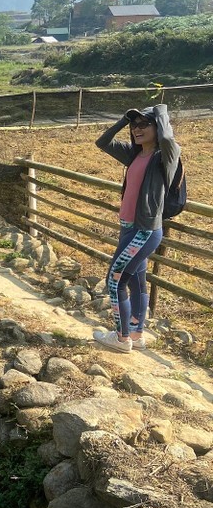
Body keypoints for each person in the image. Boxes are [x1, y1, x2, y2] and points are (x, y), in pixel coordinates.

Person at [93, 104, 180, 353]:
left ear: (157, 126)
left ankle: (121, 339)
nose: (137, 129)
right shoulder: (134, 154)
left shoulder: (166, 155)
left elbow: (165, 137)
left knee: (115, 281)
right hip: (128, 227)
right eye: (135, 125)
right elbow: (102, 141)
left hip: (145, 230)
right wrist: (124, 119)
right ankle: (137, 334)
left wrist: (160, 109)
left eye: (144, 124)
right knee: (137, 283)